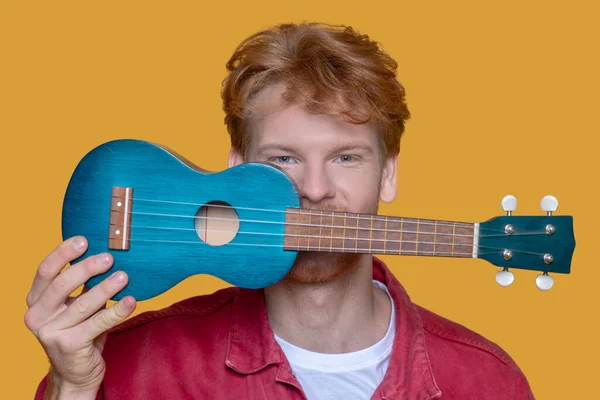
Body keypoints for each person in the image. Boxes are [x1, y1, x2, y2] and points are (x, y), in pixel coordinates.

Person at [26, 22, 535, 399]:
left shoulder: (486, 381)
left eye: (346, 157)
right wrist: (71, 388)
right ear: (237, 172)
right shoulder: (132, 365)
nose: (313, 190)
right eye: (284, 159)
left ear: (388, 174)